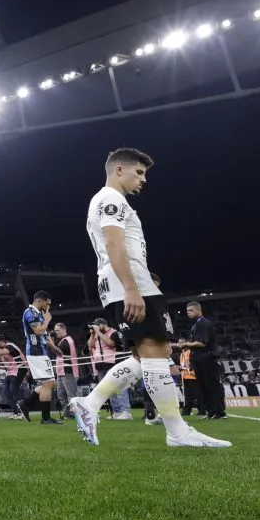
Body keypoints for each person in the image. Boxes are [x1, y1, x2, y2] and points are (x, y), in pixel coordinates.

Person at [69, 148, 229, 448]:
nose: (143, 180)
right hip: (130, 283)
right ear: (119, 169)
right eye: (139, 172)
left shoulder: (110, 201)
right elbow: (114, 244)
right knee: (156, 352)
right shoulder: (111, 199)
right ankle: (177, 432)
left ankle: (89, 403)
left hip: (122, 282)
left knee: (146, 355)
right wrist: (132, 288)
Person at [180, 302, 226, 420]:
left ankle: (219, 412)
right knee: (202, 386)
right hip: (198, 358)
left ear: (198, 310)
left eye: (191, 310)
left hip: (206, 357)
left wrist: (186, 344)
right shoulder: (196, 324)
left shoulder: (203, 323)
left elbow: (201, 342)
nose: (188, 313)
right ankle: (210, 411)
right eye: (187, 311)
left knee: (211, 385)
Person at [22, 291, 61, 424]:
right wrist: (48, 319)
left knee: (51, 384)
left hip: (41, 352)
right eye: (47, 304)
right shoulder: (30, 313)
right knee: (48, 384)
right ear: (40, 301)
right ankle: (45, 418)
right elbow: (38, 331)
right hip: (36, 352)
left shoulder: (37, 314)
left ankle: (26, 404)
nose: (48, 307)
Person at [0, 335, 28, 420]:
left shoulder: (10, 346)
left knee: (14, 390)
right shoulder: (2, 349)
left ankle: (23, 412)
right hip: (10, 371)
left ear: (2, 341)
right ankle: (15, 413)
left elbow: (1, 352)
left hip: (20, 369)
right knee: (7, 392)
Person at [49, 323, 79, 419]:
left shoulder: (67, 340)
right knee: (61, 394)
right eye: (55, 330)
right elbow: (55, 353)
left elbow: (59, 352)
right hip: (61, 371)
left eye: (57, 330)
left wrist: (50, 342)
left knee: (70, 394)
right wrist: (51, 343)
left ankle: (74, 414)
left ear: (64, 329)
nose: (56, 332)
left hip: (68, 371)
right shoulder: (62, 341)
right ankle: (67, 414)